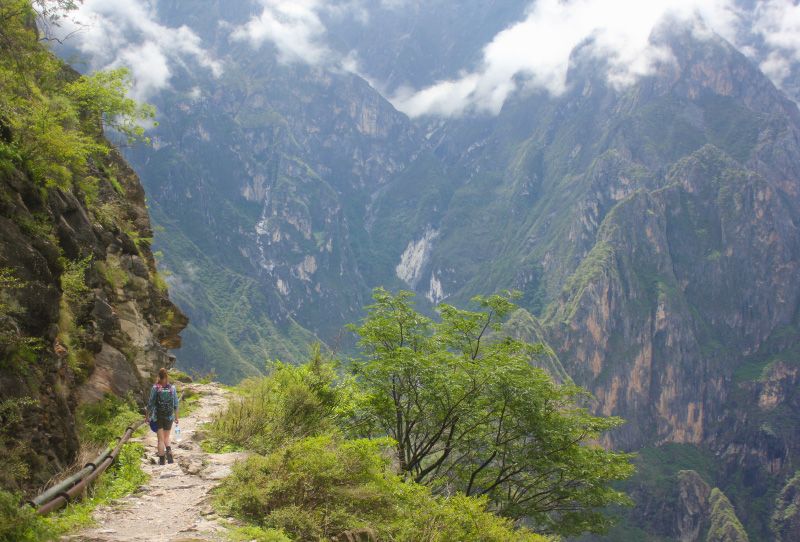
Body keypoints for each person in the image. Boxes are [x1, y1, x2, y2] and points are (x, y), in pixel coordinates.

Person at [144, 368, 179, 465]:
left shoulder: (156, 388)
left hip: (157, 416)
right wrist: (176, 417)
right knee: (167, 437)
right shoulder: (172, 388)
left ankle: (162, 460)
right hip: (169, 415)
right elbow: (176, 404)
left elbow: (150, 404)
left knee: (160, 439)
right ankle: (169, 450)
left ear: (158, 377)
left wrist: (147, 416)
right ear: (167, 376)